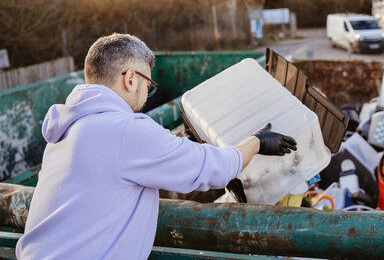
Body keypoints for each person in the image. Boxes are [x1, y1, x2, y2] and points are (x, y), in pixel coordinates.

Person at [16, 33, 297, 260]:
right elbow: (213, 169)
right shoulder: (125, 129)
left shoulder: (67, 131)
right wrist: (256, 142)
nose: (147, 94)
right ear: (130, 79)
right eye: (148, 85)